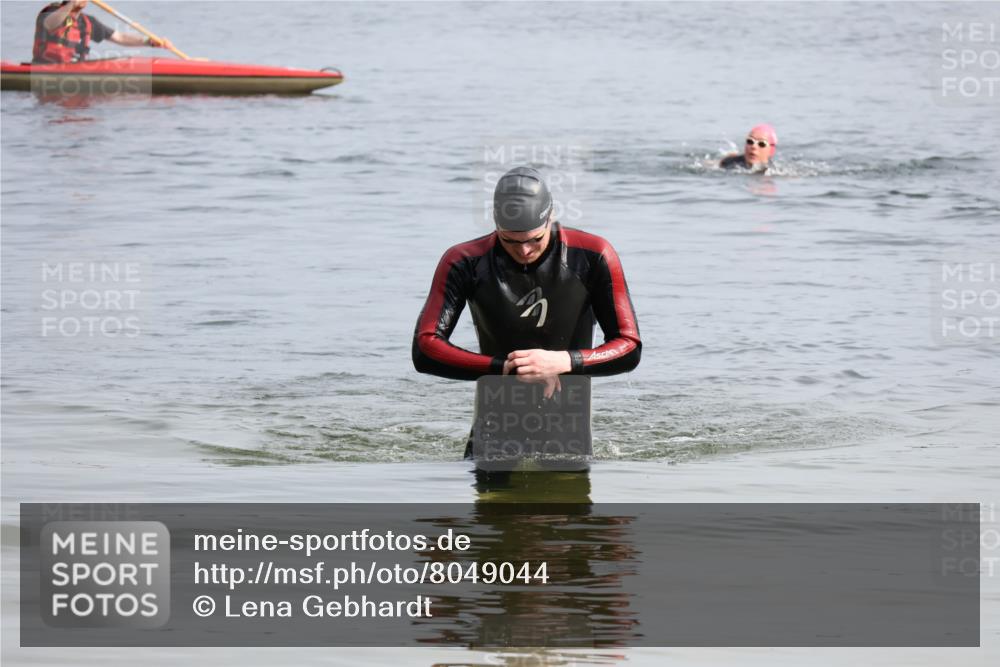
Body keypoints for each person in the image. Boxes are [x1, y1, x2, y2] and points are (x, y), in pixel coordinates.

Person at [412, 166, 642, 456]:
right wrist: (504, 368)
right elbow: (425, 348)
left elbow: (629, 346)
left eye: (535, 239)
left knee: (568, 497)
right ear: (495, 225)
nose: (524, 251)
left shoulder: (593, 254)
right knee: (489, 497)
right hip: (495, 421)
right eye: (510, 241)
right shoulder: (464, 261)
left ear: (551, 216)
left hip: (568, 423)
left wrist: (562, 361)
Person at [33, 0, 174, 64]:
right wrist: (71, 4)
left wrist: (149, 42)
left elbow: (120, 37)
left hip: (73, 70)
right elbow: (50, 24)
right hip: (43, 70)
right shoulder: (50, 12)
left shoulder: (87, 22)